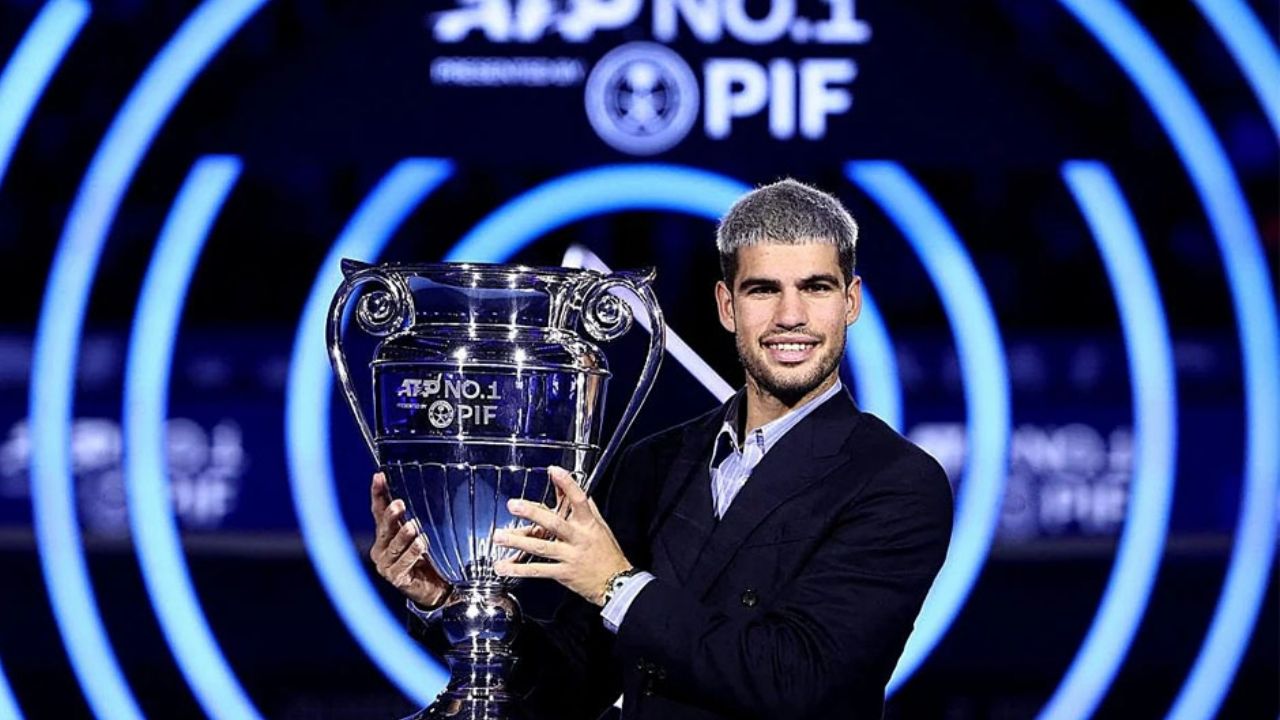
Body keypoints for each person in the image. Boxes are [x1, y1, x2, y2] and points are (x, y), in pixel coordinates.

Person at [369, 178, 954, 719]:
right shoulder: (654, 461)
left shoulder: (897, 482)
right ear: (727, 306)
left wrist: (617, 585)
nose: (790, 316)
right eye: (763, 290)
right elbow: (571, 686)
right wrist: (453, 601)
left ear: (850, 302)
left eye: (815, 288)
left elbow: (800, 681)